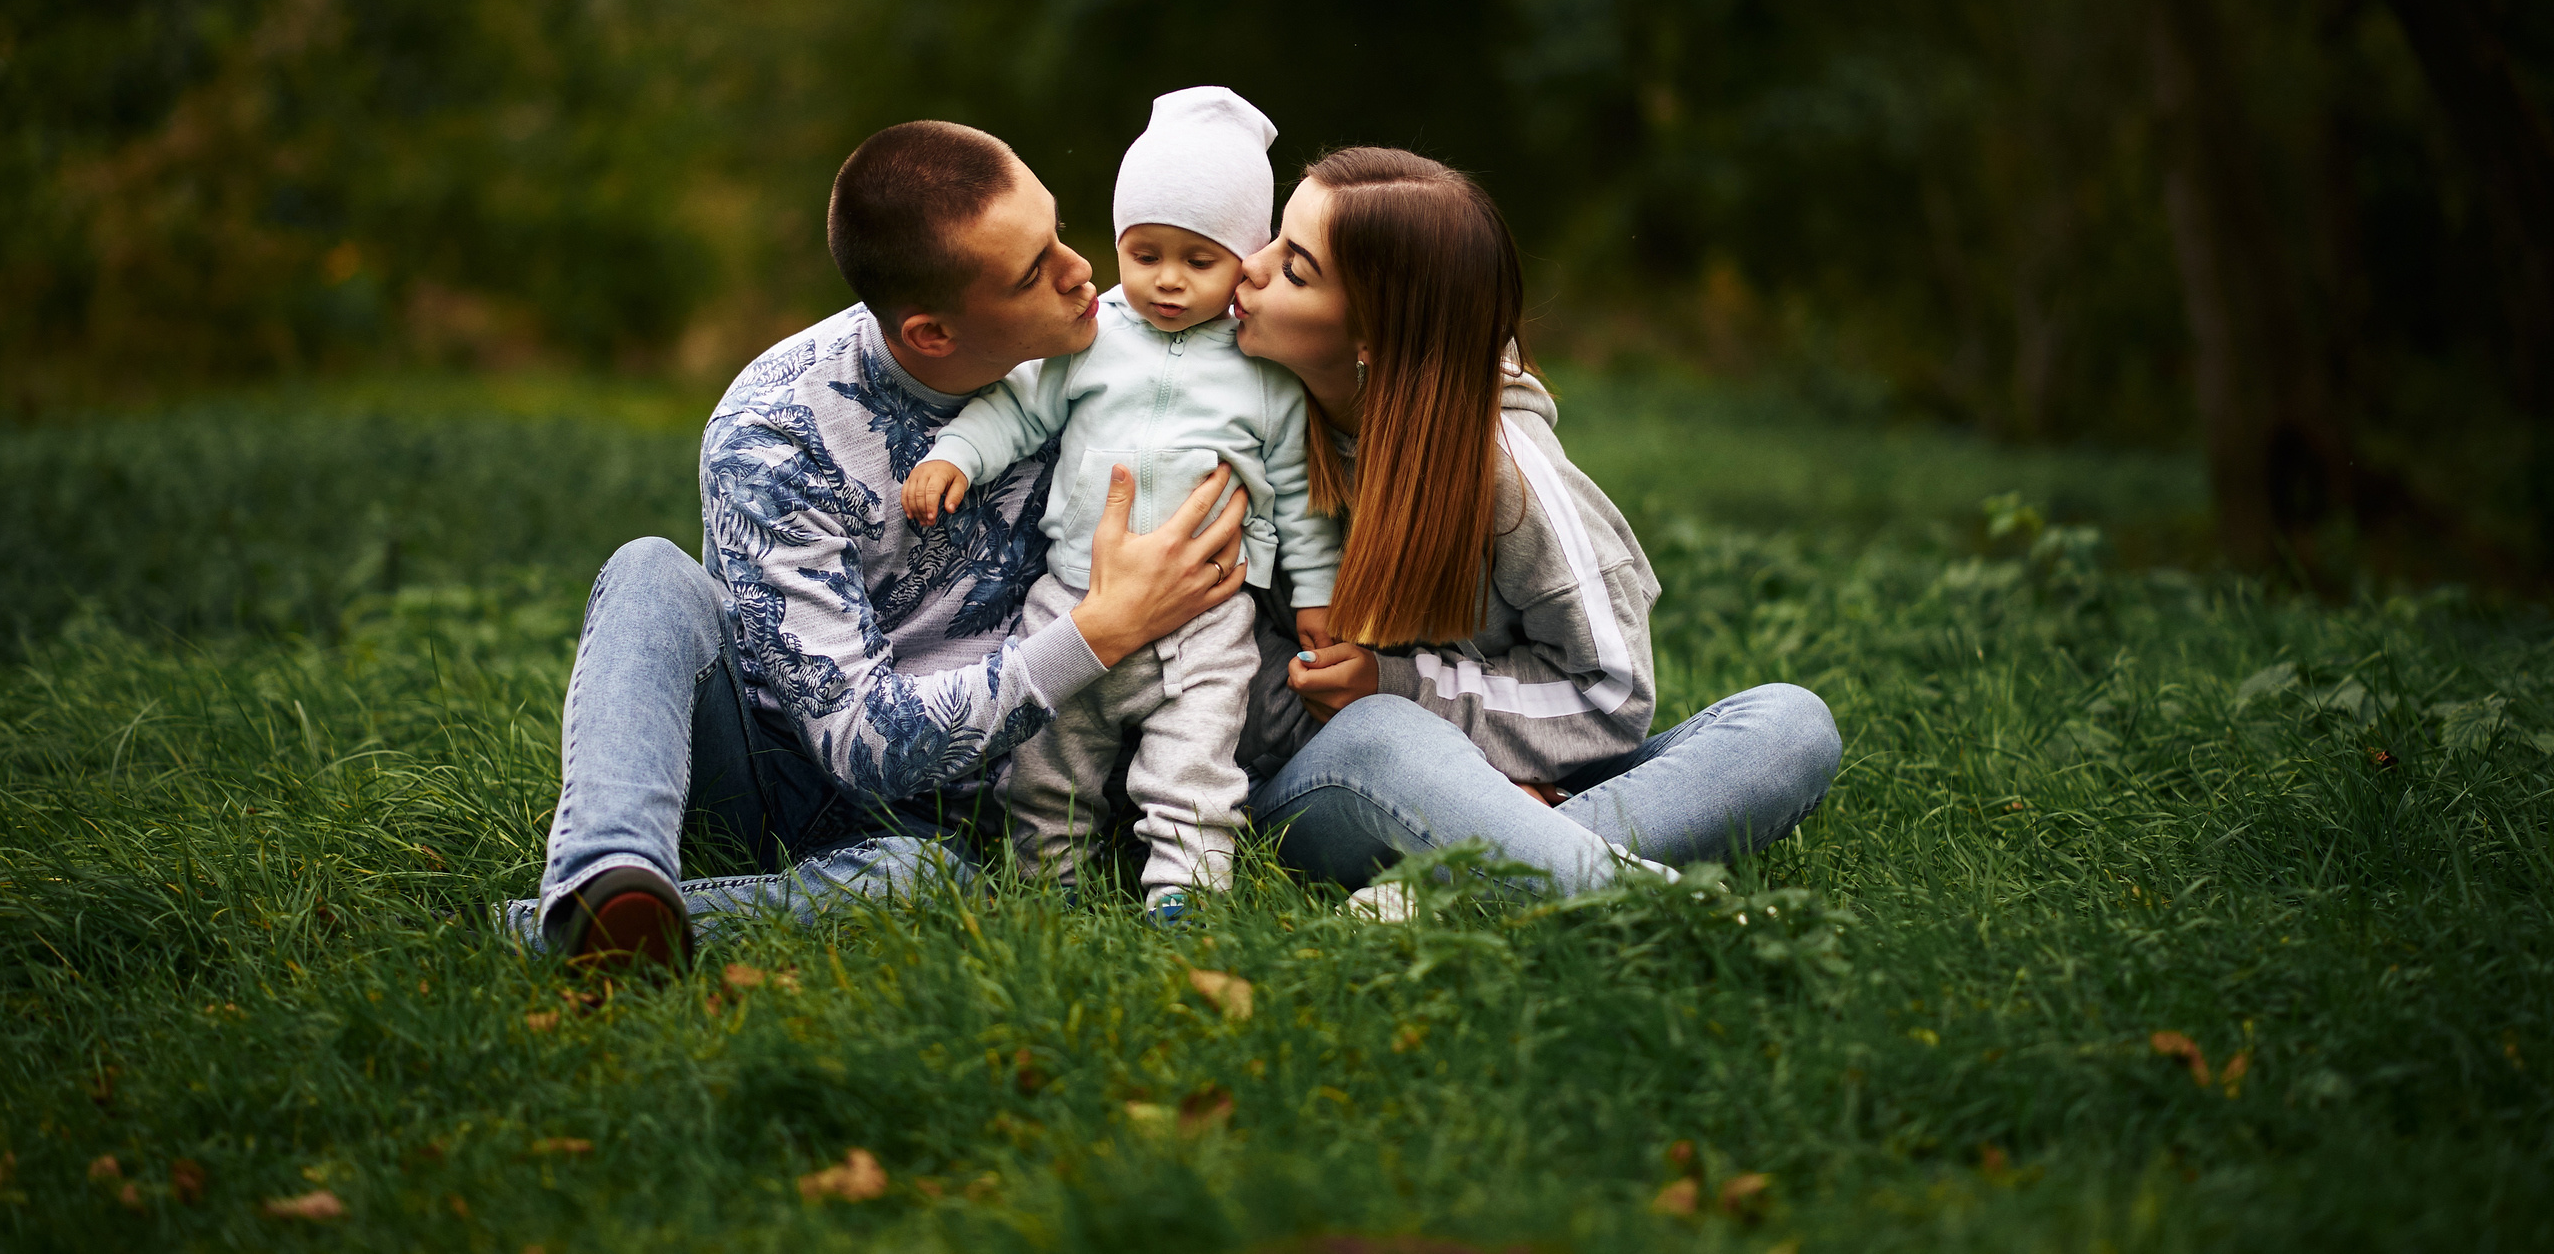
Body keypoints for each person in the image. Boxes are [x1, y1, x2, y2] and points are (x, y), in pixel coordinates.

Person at [513, 121, 1252, 970]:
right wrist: (1098, 632)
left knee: (924, 877)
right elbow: (860, 744)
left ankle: (597, 933)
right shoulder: (775, 433)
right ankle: (604, 874)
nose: (1082, 270)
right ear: (933, 333)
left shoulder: (1113, 348)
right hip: (786, 775)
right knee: (648, 569)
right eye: (1032, 271)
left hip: (976, 819)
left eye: (1056, 231)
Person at [1229, 147, 1843, 900]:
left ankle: (1466, 887)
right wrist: (1424, 743)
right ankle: (1646, 900)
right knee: (1385, 734)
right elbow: (1223, 682)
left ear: (1374, 338)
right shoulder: (1228, 425)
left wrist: (1415, 692)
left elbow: (1611, 692)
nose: (1246, 269)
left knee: (1790, 727)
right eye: (1271, 241)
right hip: (1326, 784)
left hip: (1534, 777)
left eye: (1294, 268)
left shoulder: (1505, 469)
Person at [901, 88, 1342, 919]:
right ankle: (1046, 882)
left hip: (1208, 620)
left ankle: (1185, 890)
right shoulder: (1092, 335)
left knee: (1196, 763)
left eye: (1199, 260)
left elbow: (1298, 495)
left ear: (1244, 256)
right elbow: (1018, 406)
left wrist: (1315, 595)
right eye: (1145, 254)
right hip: (1076, 596)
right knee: (1048, 758)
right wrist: (955, 453)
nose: (1167, 280)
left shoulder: (1264, 371)